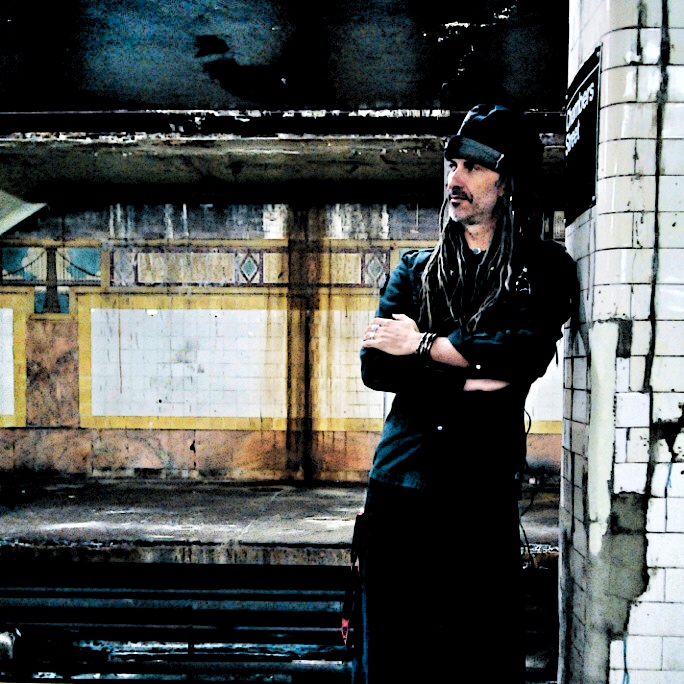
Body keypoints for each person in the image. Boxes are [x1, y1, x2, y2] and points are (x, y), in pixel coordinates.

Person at [356, 103, 578, 683]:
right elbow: (376, 367)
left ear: (507, 182)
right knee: (395, 659)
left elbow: (524, 356)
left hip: (480, 493)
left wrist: (420, 345)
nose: (455, 178)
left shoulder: (544, 267)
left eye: (473, 167)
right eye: (452, 164)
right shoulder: (415, 270)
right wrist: (474, 371)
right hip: (400, 487)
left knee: (479, 656)